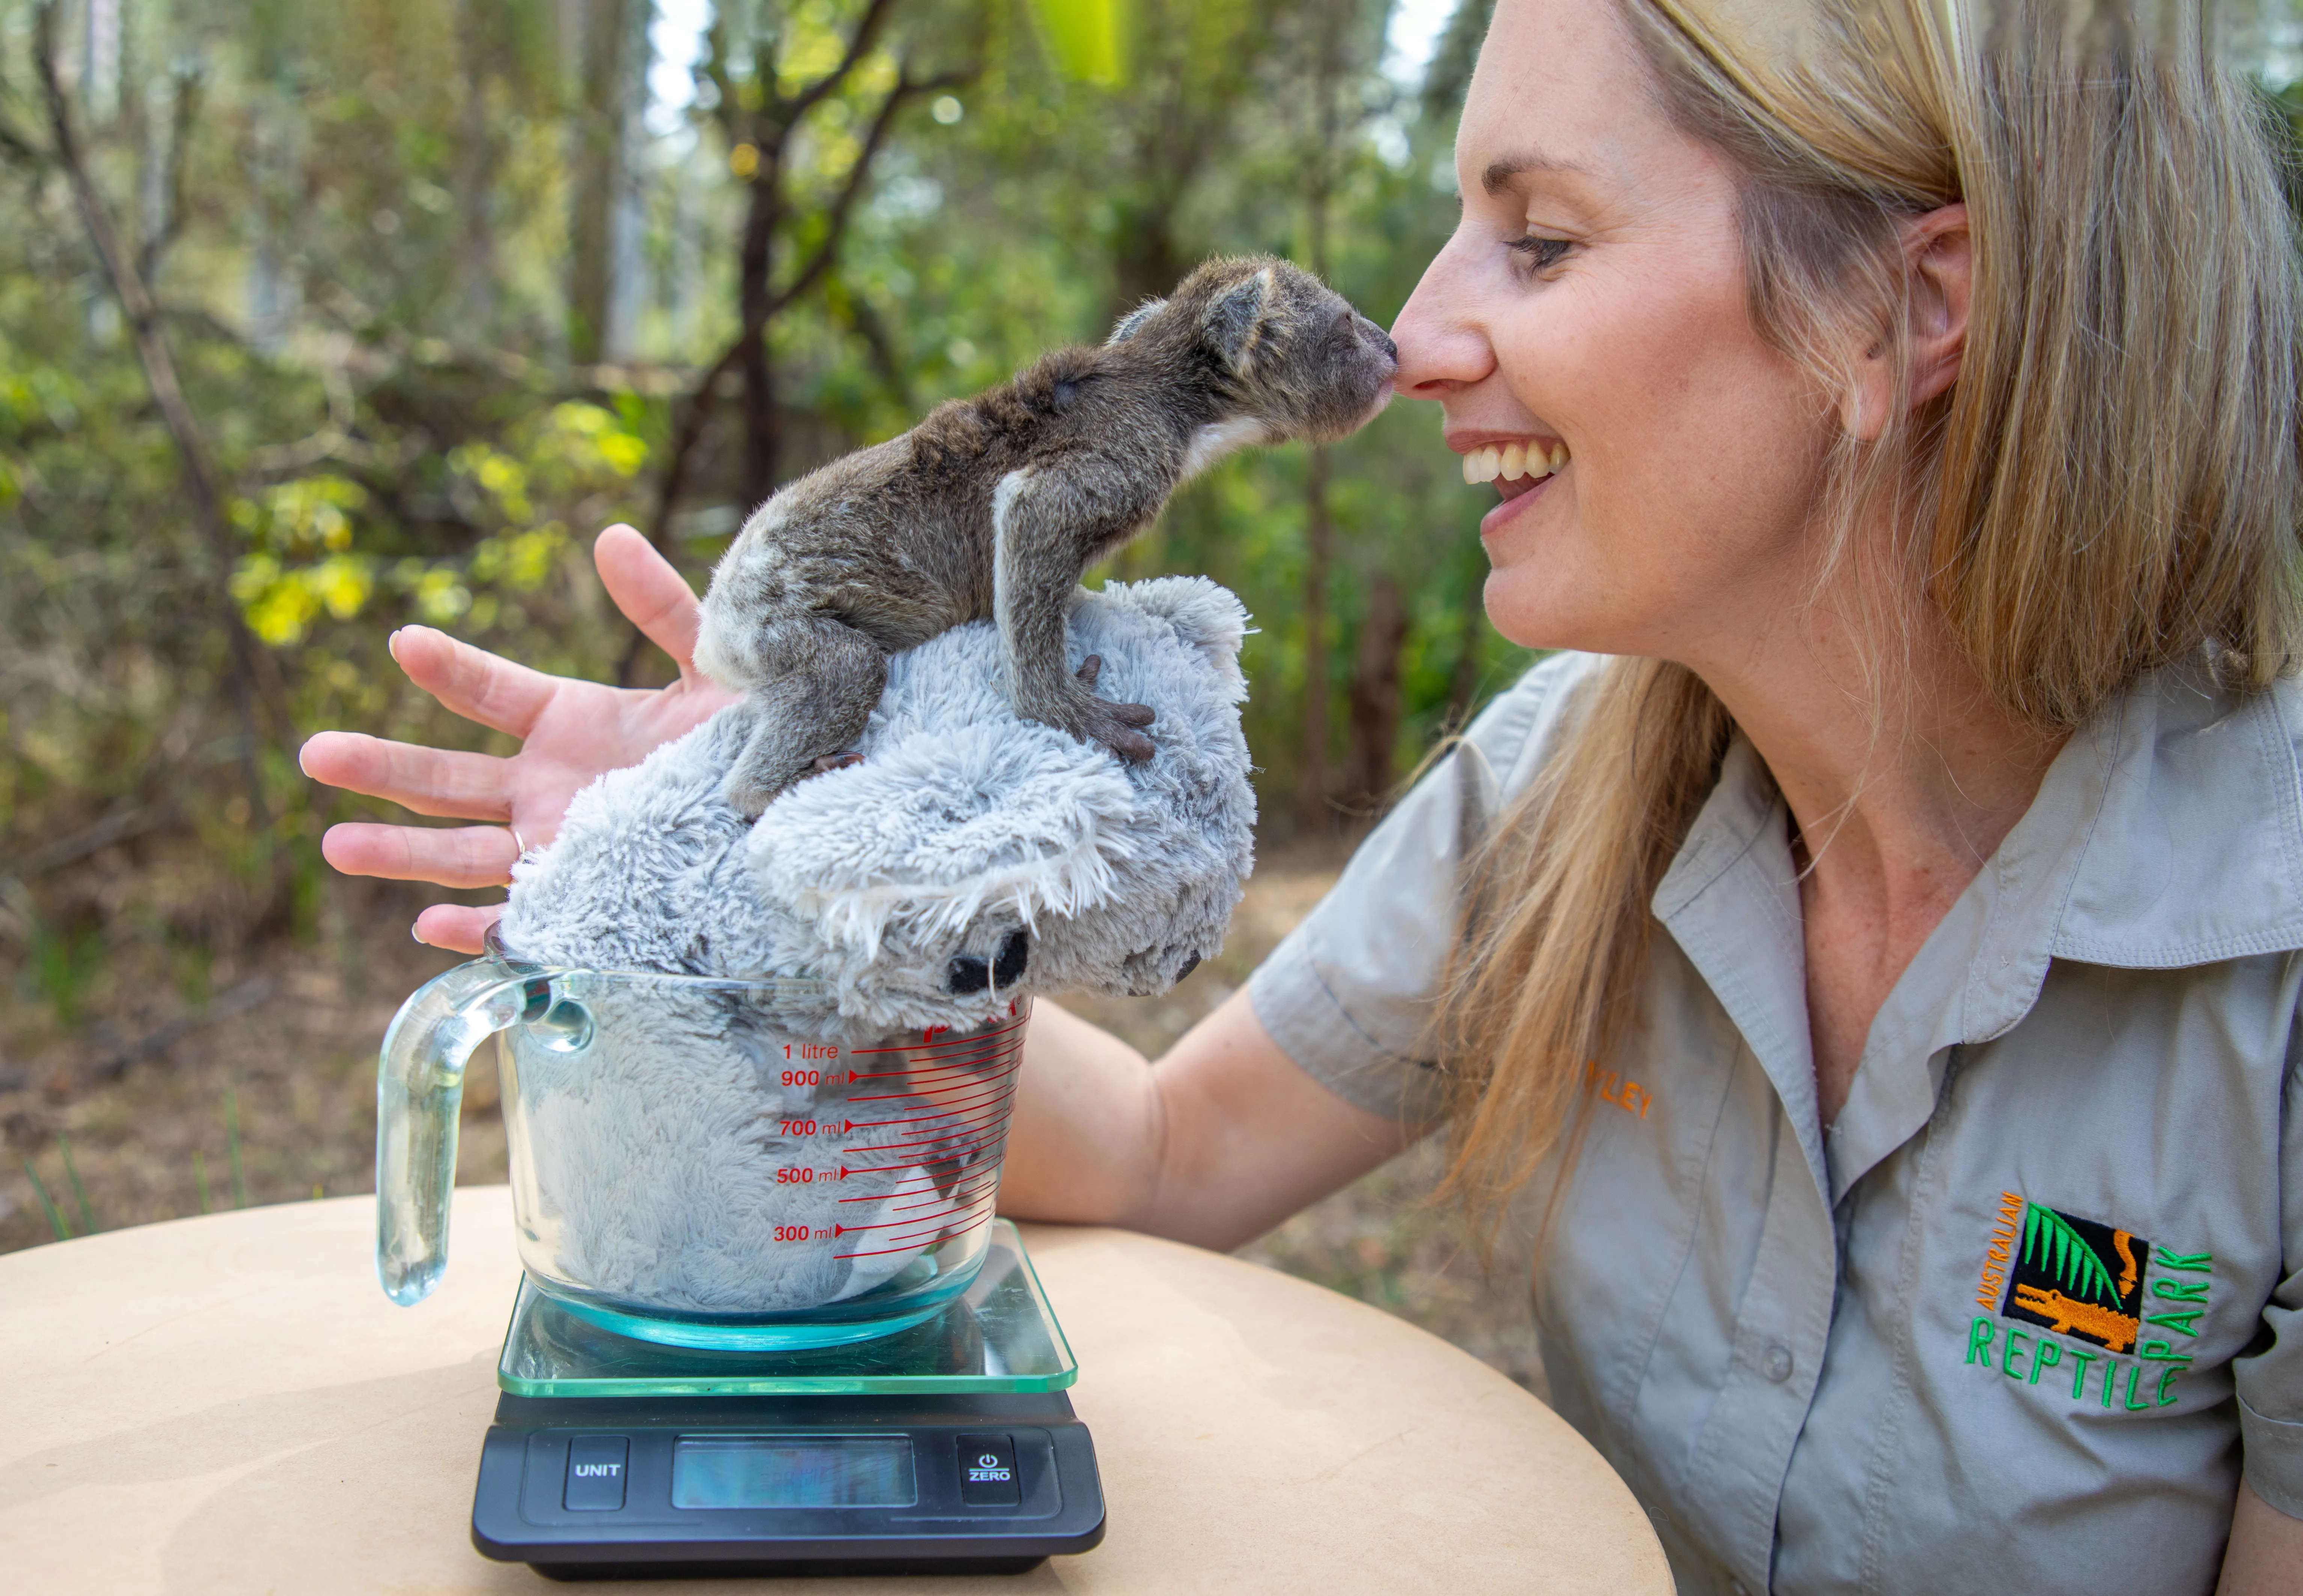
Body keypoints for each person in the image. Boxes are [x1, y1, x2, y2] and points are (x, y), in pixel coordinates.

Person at [301, 2, 2303, 1589]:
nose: (1427, 333)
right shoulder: (1562, 787)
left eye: (1539, 233)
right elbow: (1173, 1150)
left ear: (1908, 310)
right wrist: (778, 845)